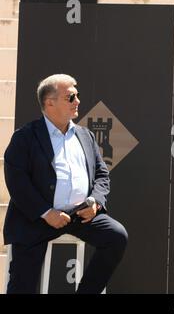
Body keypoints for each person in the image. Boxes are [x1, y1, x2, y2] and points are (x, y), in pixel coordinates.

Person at [3, 74, 128, 294]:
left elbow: (101, 175)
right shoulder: (25, 137)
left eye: (77, 96)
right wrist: (45, 212)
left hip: (81, 216)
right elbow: (17, 181)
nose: (78, 101)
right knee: (22, 284)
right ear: (49, 102)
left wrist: (95, 203)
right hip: (37, 218)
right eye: (71, 97)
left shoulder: (85, 135)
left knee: (116, 236)